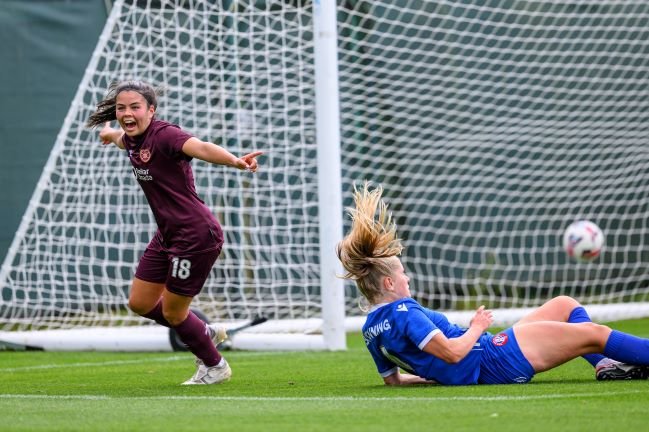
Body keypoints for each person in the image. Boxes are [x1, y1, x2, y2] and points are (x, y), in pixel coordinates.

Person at [336, 182, 649, 385]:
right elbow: (453, 353)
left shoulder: (371, 329)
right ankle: (614, 358)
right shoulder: (404, 310)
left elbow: (395, 381)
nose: (408, 278)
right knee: (594, 333)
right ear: (389, 281)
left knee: (564, 305)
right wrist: (477, 325)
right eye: (403, 273)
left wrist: (433, 378)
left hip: (487, 358)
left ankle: (606, 365)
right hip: (493, 359)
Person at [86, 80, 262, 385]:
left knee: (174, 312)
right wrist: (109, 133)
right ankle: (203, 331)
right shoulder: (129, 138)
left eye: (135, 107)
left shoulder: (165, 135)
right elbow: (119, 138)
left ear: (151, 111)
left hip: (195, 235)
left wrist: (235, 161)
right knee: (140, 303)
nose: (127, 113)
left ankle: (215, 366)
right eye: (121, 108)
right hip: (167, 235)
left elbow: (202, 147)